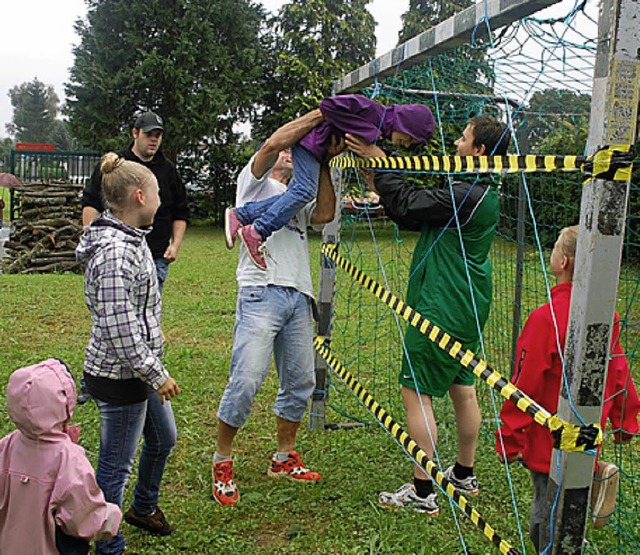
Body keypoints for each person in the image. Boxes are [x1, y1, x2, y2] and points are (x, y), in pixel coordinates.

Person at [346, 116, 512, 515]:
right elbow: (412, 212)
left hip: (442, 304)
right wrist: (378, 179)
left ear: (480, 152)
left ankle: (423, 493)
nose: (456, 143)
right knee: (462, 387)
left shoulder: (468, 191)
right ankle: (463, 473)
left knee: (416, 392)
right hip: (469, 304)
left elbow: (411, 202)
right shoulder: (479, 189)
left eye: (463, 137)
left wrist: (381, 160)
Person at [213, 111, 340, 506]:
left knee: (301, 383)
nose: (290, 153)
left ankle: (283, 458)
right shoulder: (253, 185)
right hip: (260, 293)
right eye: (290, 149)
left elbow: (323, 214)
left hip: (298, 296)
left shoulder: (296, 193)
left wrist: (322, 160)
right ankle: (222, 459)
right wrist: (319, 118)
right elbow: (271, 144)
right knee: (247, 379)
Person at [495, 225, 640, 552]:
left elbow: (524, 386)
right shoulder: (607, 314)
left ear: (562, 261)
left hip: (551, 442)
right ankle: (594, 477)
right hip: (590, 433)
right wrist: (626, 419)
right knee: (570, 506)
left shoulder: (545, 319)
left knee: (544, 523)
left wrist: (510, 438)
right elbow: (618, 370)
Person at [76, 153, 181, 555]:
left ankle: (142, 508)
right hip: (122, 378)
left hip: (138, 371)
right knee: (114, 468)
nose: (161, 199)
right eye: (157, 192)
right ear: (140, 196)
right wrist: (157, 374)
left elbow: (133, 315)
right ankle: (108, 544)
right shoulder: (117, 253)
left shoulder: (130, 238)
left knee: (163, 439)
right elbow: (120, 329)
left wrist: (152, 359)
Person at [225, 94, 435, 270]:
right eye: (410, 139)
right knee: (305, 191)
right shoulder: (371, 110)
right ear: (406, 124)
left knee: (299, 192)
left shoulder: (378, 133)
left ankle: (241, 215)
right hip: (310, 144)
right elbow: (328, 105)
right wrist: (343, 125)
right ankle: (258, 231)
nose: (406, 144)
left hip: (319, 152)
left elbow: (375, 154)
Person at [0, 358, 122, 554]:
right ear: (64, 403)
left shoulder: (7, 445)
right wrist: (110, 517)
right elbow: (83, 518)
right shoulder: (69, 459)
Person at [82, 111, 189, 293]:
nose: (154, 140)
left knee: (147, 311)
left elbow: (181, 210)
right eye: (148, 135)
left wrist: (175, 245)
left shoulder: (168, 169)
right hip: (116, 253)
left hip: (156, 256)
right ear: (135, 133)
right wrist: (93, 241)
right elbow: (91, 203)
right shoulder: (116, 166)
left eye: (158, 135)